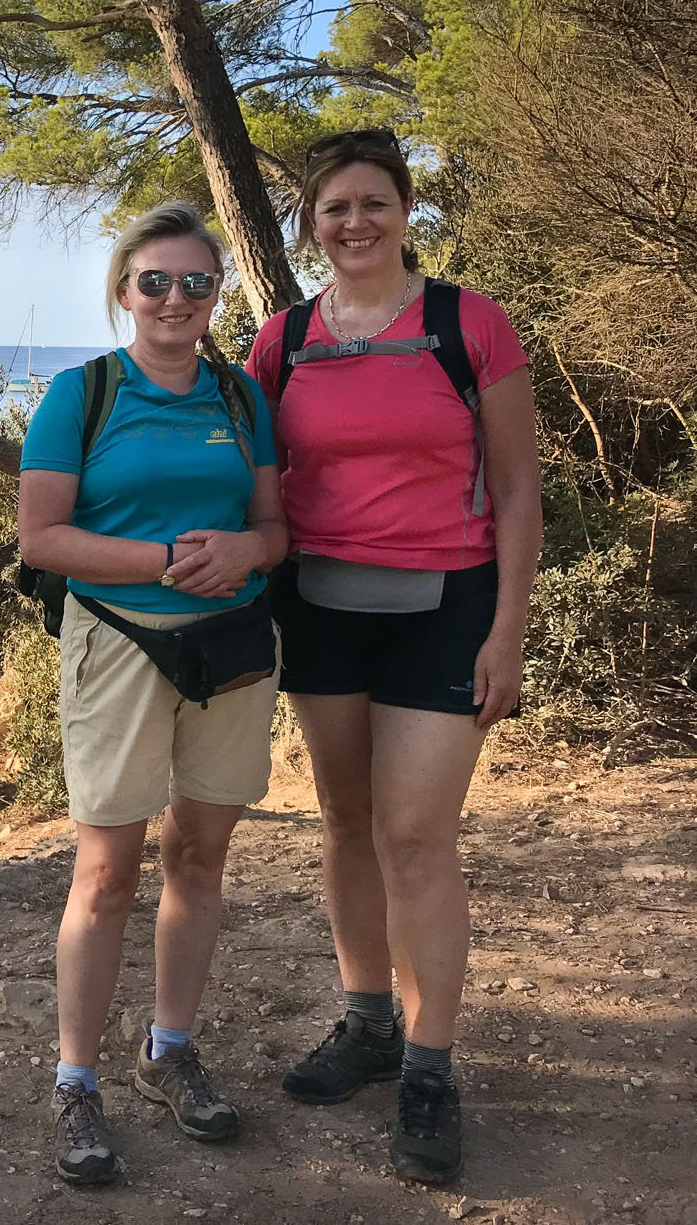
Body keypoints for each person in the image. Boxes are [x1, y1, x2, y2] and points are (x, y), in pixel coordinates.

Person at [245, 129, 541, 1186]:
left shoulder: (470, 324)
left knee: (416, 835)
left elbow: (516, 490)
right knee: (345, 820)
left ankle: (428, 1065)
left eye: (374, 203)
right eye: (335, 208)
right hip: (319, 605)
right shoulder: (280, 340)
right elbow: (254, 480)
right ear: (310, 224)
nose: (355, 223)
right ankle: (366, 1020)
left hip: (446, 604)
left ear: (405, 212)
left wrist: (507, 629)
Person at [18, 201, 289, 1185]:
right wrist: (167, 559)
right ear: (123, 294)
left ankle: (169, 1050)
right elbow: (41, 539)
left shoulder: (240, 399)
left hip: (232, 650)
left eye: (197, 283)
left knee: (202, 856)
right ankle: (76, 1080)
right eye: (155, 282)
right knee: (107, 876)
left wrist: (249, 550)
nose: (176, 299)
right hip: (118, 645)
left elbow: (275, 529)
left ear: (219, 295)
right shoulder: (81, 394)